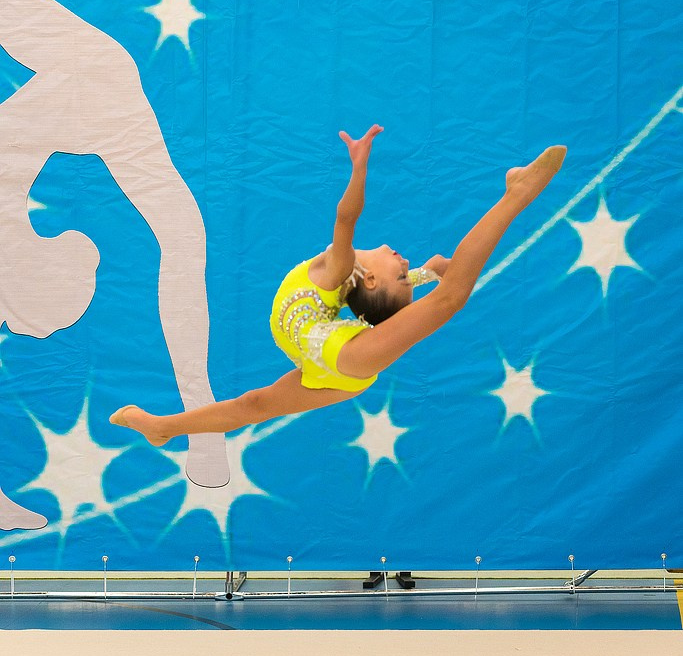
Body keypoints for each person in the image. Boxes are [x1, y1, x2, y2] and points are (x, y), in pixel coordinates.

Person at [110, 127, 566, 448]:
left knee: (451, 298)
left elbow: (346, 218)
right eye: (407, 271)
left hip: (345, 358)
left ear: (368, 280)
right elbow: (397, 289)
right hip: (327, 365)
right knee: (252, 405)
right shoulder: (351, 284)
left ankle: (517, 193)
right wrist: (426, 273)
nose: (402, 259)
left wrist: (360, 168)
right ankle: (164, 427)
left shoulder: (339, 266)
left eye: (399, 272)